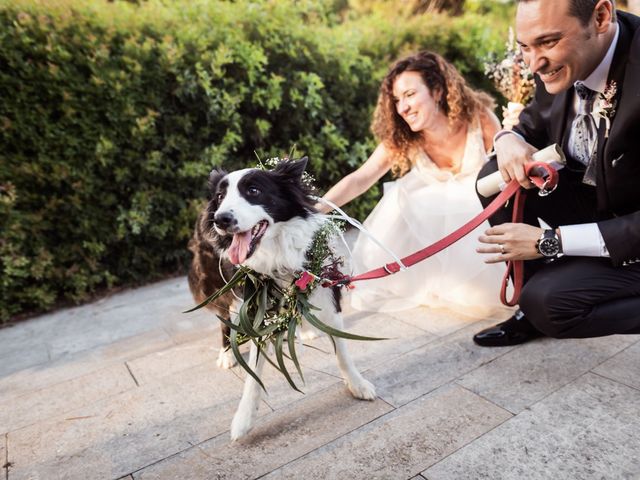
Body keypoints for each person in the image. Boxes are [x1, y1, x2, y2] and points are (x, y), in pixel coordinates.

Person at [474, 0, 640, 346]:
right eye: (525, 47)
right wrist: (507, 139)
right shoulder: (564, 60)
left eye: (548, 42)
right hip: (601, 203)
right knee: (495, 179)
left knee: (550, 303)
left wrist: (548, 242)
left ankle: (549, 298)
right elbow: (531, 124)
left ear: (600, 17)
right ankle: (537, 306)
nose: (534, 64)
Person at [320, 51, 511, 317]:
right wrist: (318, 207)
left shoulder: (478, 117)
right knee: (404, 197)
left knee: (467, 202)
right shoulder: (404, 136)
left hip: (477, 206)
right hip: (427, 212)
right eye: (397, 100)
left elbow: (505, 170)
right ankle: (432, 279)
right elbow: (362, 178)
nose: (403, 107)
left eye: (410, 95)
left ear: (437, 91)